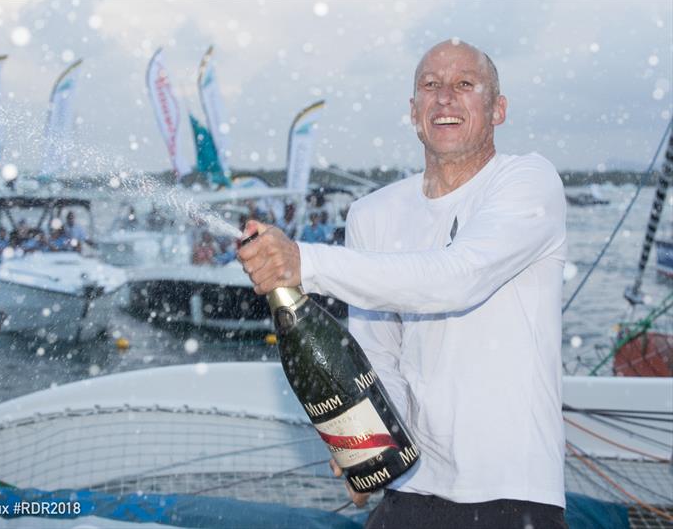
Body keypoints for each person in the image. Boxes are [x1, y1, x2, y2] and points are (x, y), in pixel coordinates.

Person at [238, 39, 567, 529]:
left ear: (498, 109)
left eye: (464, 85)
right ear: (414, 112)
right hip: (410, 488)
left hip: (514, 489)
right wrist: (366, 447)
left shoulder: (529, 181)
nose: (445, 98)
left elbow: (460, 278)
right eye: (430, 86)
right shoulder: (371, 214)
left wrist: (302, 262)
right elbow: (379, 357)